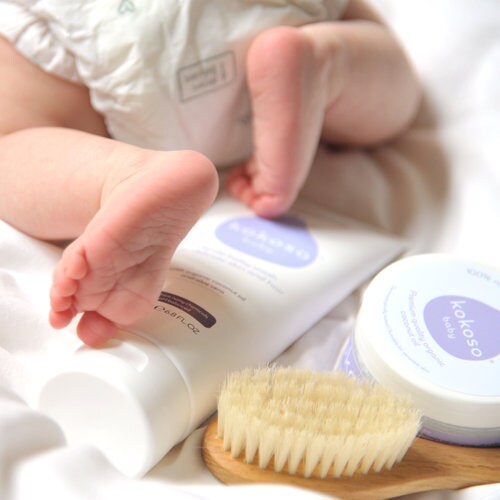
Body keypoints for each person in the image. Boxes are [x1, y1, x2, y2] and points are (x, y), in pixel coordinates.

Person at [0, 0, 421, 347]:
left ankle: (120, 175)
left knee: (11, 141)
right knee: (384, 65)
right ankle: (320, 59)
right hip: (268, 16)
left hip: (91, 22)